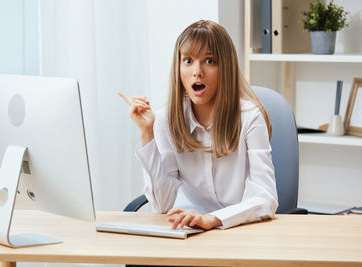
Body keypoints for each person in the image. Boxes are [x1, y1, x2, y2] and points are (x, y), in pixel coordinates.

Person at [119, 20, 278, 231]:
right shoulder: (166, 119)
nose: (197, 71)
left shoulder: (249, 117)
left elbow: (266, 197)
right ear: (178, 67)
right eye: (188, 61)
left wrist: (214, 219)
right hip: (188, 230)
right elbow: (162, 204)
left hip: (238, 230)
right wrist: (147, 133)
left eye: (209, 60)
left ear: (226, 67)